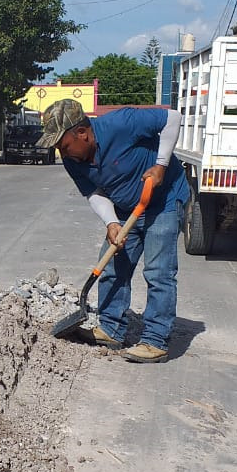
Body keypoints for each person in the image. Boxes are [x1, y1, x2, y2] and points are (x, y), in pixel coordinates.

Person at [36, 99, 190, 363]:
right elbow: (94, 192)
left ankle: (155, 340)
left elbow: (172, 118)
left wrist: (160, 166)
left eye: (63, 145)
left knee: (158, 272)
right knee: (112, 266)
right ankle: (111, 328)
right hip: (126, 209)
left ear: (82, 133)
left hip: (163, 202)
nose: (62, 152)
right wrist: (111, 222)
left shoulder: (120, 123)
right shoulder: (73, 161)